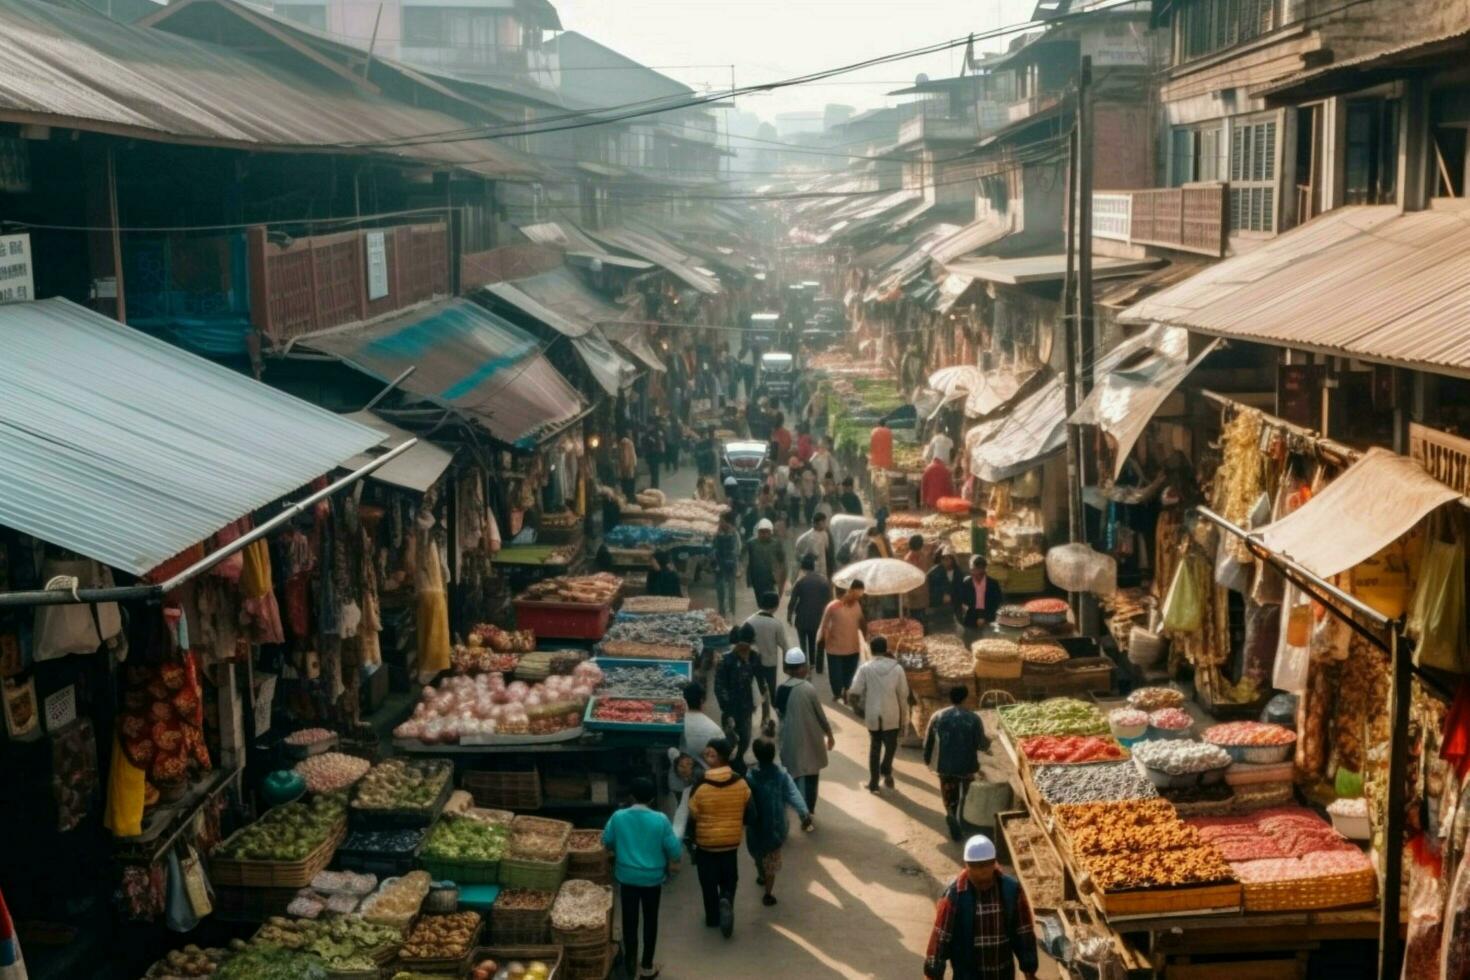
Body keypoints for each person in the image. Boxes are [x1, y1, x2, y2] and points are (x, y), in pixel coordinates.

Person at [924, 835, 1039, 980]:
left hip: (1002, 974)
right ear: (966, 865)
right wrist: (933, 973)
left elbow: (1024, 933)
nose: (982, 873)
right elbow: (940, 939)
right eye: (976, 867)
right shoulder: (954, 896)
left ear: (994, 863)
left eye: (986, 866)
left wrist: (1030, 970)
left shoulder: (1011, 890)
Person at [602, 776, 682, 980]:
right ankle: (647, 966)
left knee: (629, 921)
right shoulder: (661, 819)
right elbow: (674, 849)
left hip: (626, 877)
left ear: (631, 796)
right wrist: (673, 861)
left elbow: (607, 840)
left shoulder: (619, 816)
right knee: (650, 920)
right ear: (653, 799)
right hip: (652, 879)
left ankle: (630, 965)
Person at [688, 738, 753, 938]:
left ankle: (713, 917)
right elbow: (751, 815)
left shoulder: (701, 784)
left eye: (711, 754)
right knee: (729, 879)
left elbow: (693, 814)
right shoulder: (741, 783)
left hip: (706, 845)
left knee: (708, 883)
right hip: (730, 843)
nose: (707, 757)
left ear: (721, 757)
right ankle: (726, 899)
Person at [745, 735, 811, 907]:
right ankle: (768, 893)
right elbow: (793, 794)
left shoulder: (750, 776)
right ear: (774, 754)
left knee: (758, 855)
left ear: (756, 754)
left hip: (755, 827)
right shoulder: (781, 775)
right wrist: (804, 812)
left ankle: (760, 873)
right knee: (771, 862)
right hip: (776, 827)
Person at [924, 685, 990, 841]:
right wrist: (989, 743)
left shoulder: (938, 716)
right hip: (967, 765)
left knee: (949, 794)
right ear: (966, 698)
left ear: (950, 698)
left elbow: (928, 741)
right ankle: (963, 819)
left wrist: (927, 759)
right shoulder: (973, 718)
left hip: (945, 765)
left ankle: (951, 815)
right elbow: (982, 744)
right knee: (965, 795)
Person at [774, 648, 834, 813]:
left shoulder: (781, 689)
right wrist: (829, 734)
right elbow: (820, 715)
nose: (807, 668)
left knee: (794, 773)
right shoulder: (808, 688)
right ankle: (809, 809)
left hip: (790, 738)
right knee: (812, 775)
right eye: (805, 666)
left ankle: (799, 808)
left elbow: (779, 712)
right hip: (811, 738)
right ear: (800, 668)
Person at [848, 635, 910, 794]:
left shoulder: (865, 668)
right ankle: (886, 770)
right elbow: (903, 695)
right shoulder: (897, 668)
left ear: (872, 650)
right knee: (891, 746)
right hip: (892, 714)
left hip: (873, 715)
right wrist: (904, 719)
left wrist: (859, 710)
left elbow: (854, 691)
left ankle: (874, 783)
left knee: (874, 748)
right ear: (886, 649)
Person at [714, 625, 764, 770]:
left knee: (745, 739)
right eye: (741, 646)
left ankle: (739, 762)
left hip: (747, 708)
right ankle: (728, 765)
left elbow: (760, 683)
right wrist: (727, 711)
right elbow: (719, 688)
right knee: (730, 741)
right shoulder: (725, 661)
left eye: (747, 646)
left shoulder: (755, 657)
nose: (744, 650)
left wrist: (763, 709)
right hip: (731, 709)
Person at [818, 579, 866, 701]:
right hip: (835, 649)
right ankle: (837, 693)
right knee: (836, 676)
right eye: (856, 594)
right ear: (848, 591)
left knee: (850, 675)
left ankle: (846, 691)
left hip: (853, 647)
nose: (857, 598)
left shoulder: (857, 605)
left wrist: (866, 637)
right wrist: (821, 641)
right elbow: (823, 626)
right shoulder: (832, 607)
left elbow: (861, 621)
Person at [743, 592, 786, 720]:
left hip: (753, 663)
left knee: (759, 688)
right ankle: (774, 714)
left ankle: (764, 714)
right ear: (776, 606)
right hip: (770, 663)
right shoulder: (776, 624)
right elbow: (785, 646)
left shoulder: (749, 621)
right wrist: (786, 665)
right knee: (771, 689)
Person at [787, 555, 832, 674]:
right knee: (816, 641)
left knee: (803, 643)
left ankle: (804, 665)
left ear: (803, 568)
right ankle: (817, 665)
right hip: (819, 618)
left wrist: (789, 615)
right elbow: (830, 600)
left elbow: (793, 601)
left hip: (802, 618)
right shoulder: (824, 581)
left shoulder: (800, 582)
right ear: (814, 567)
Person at [743, 518, 787, 605]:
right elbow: (745, 559)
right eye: (762, 532)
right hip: (756, 577)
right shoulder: (751, 544)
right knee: (759, 599)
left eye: (766, 532)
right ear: (758, 532)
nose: (764, 534)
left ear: (771, 532)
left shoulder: (776, 544)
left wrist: (781, 577)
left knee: (769, 600)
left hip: (770, 577)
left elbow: (782, 560)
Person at [956, 556, 1004, 634]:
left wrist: (984, 617)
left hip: (989, 619)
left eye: (980, 571)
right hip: (970, 619)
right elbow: (961, 601)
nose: (976, 574)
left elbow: (997, 603)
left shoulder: (993, 584)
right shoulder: (966, 583)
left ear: (984, 569)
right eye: (974, 570)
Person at [927, 548, 963, 631]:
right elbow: (931, 589)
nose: (945, 562)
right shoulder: (935, 572)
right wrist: (942, 596)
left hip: (955, 604)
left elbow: (960, 588)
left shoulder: (957, 572)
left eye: (948, 559)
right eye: (943, 559)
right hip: (939, 606)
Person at [712, 514, 740, 618]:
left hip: (730, 564)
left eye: (721, 521)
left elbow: (737, 549)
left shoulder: (734, 533)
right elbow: (712, 548)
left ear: (726, 521)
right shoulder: (715, 533)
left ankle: (732, 611)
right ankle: (722, 611)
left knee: (731, 589)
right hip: (719, 564)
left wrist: (736, 564)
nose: (720, 523)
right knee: (720, 589)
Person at [793, 512, 835, 578]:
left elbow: (827, 550)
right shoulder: (807, 537)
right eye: (823, 523)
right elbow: (798, 552)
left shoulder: (825, 534)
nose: (825, 524)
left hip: (823, 569)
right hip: (812, 570)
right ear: (816, 524)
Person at [905, 534, 932, 623]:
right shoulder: (916, 558)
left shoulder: (913, 558)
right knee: (919, 620)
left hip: (918, 597)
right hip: (917, 598)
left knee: (920, 620)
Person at [642, 422, 666, 490]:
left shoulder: (656, 433)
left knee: (655, 472)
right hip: (651, 456)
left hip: (654, 455)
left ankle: (655, 486)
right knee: (653, 472)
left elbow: (659, 443)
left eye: (650, 425)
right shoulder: (648, 434)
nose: (649, 426)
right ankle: (654, 485)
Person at [618, 431, 639, 500]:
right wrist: (628, 465)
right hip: (629, 467)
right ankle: (630, 497)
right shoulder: (626, 442)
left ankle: (628, 497)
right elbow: (626, 455)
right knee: (629, 482)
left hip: (628, 467)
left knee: (627, 483)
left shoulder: (624, 442)